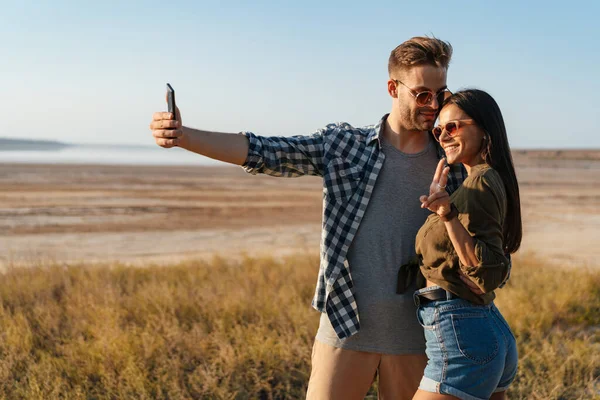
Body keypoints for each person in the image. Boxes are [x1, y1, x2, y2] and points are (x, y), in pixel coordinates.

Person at [150, 36, 482, 399]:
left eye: (442, 94)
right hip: (344, 328)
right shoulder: (344, 145)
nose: (434, 105)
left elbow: (482, 245)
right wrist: (184, 137)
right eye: (422, 94)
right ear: (392, 87)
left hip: (422, 337)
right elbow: (264, 151)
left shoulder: (454, 164)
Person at [412, 89, 521, 400]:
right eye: (438, 130)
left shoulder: (480, 182)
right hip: (479, 325)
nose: (443, 136)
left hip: (461, 333)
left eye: (453, 127)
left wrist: (447, 215)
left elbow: (483, 272)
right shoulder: (482, 179)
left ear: (485, 128)